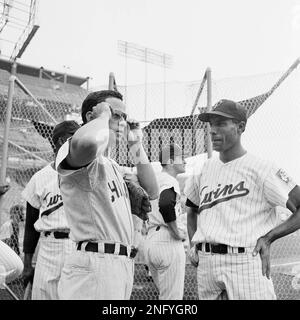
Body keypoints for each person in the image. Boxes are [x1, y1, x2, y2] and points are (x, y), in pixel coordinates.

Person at [185, 99, 300, 300]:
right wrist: (194, 242)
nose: (212, 130)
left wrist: (269, 237)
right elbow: (192, 210)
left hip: (245, 261)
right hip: (207, 265)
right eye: (211, 124)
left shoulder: (263, 169)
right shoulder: (203, 170)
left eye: (220, 123)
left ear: (241, 126)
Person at [55, 90, 158, 300]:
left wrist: (134, 142)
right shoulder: (76, 147)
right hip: (95, 261)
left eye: (124, 117)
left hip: (117, 263)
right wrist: (102, 116)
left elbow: (153, 190)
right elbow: (88, 143)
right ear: (91, 116)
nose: (121, 121)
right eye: (115, 114)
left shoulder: (110, 164)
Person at [21, 120, 80, 300]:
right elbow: (31, 225)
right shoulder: (40, 178)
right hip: (49, 247)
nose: (80, 142)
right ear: (61, 142)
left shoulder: (86, 174)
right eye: (74, 138)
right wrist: (27, 264)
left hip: (79, 245)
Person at [145, 143, 187, 299]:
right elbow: (165, 204)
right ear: (170, 161)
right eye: (181, 157)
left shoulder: (154, 179)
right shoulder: (169, 179)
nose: (185, 161)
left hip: (150, 240)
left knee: (165, 296)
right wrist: (176, 231)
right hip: (167, 240)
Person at [0, 184, 23, 286]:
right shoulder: (8, 225)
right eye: (21, 212)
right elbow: (5, 241)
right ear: (14, 213)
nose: (23, 214)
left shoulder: (19, 226)